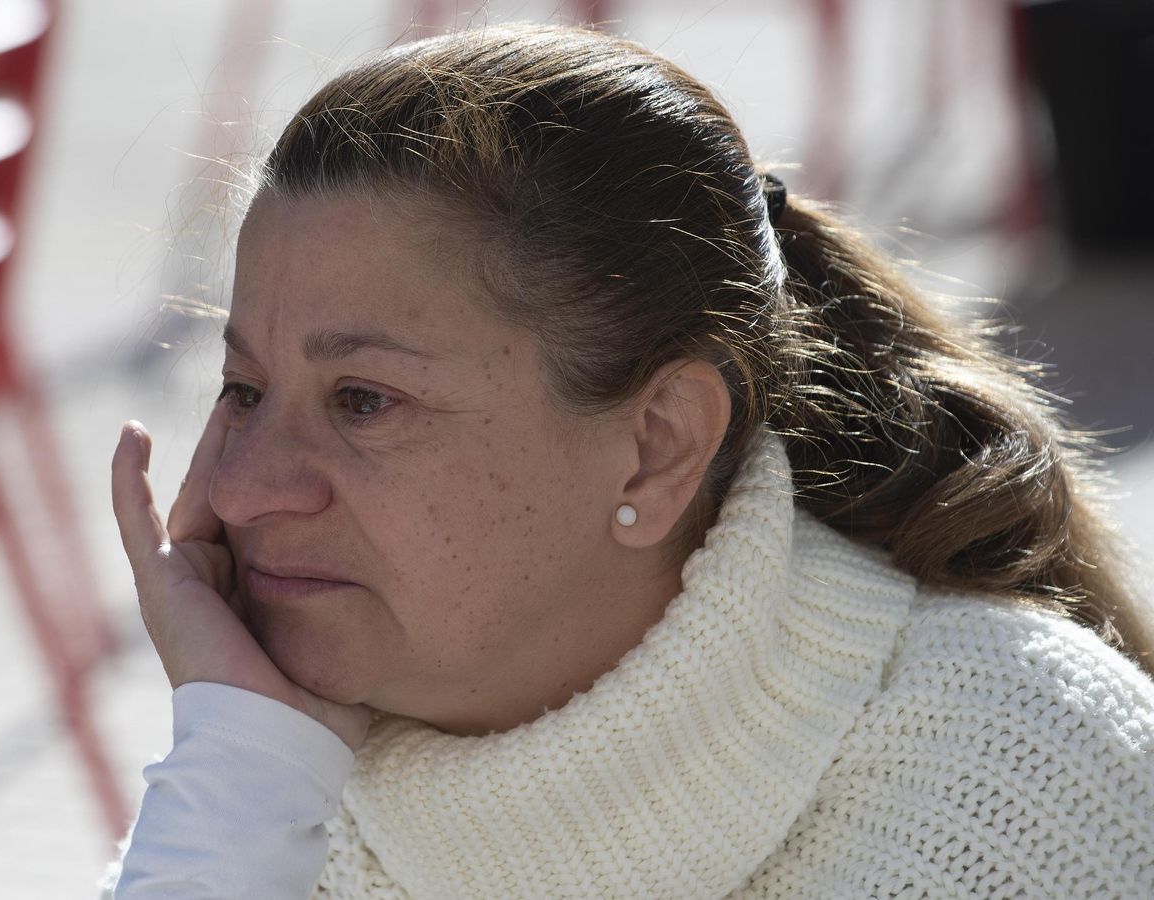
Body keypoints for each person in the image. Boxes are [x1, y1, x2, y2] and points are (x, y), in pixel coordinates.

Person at [104, 23, 1154, 898]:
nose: (241, 489)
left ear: (656, 449)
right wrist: (236, 774)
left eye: (365, 402)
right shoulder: (269, 794)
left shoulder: (1019, 791)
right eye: (244, 390)